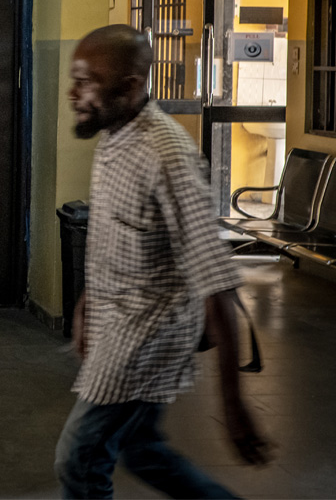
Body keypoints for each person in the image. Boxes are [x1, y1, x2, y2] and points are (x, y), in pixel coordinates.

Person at [54, 25, 272, 498]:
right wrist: (89, 303)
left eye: (86, 81)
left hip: (147, 334)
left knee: (79, 458)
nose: (73, 94)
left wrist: (234, 406)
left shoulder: (167, 155)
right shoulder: (115, 133)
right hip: (118, 321)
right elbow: (120, 236)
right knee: (141, 450)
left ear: (131, 87)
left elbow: (216, 280)